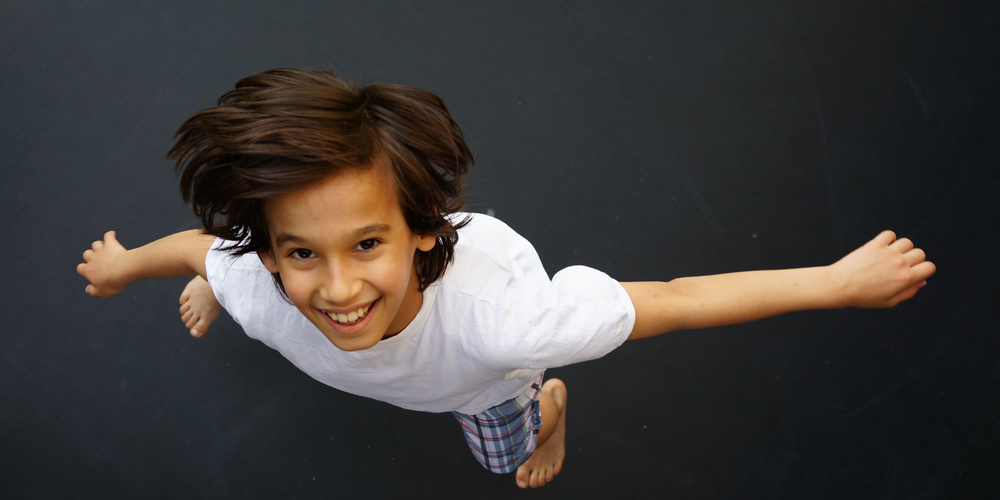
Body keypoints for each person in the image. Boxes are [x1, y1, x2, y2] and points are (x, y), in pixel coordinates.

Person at [76, 68, 936, 489]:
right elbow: (199, 246)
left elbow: (675, 301)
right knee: (222, 280)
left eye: (367, 245)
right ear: (269, 250)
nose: (337, 289)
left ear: (417, 230)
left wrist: (835, 281)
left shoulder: (512, 328)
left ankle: (548, 412)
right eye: (302, 253)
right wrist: (126, 267)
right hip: (267, 295)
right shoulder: (251, 279)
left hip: (478, 384)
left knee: (507, 457)